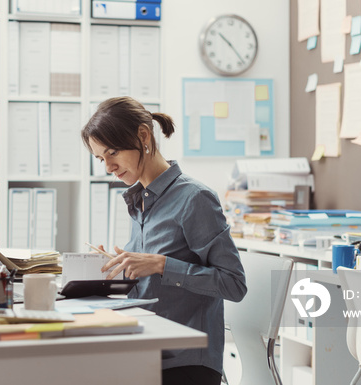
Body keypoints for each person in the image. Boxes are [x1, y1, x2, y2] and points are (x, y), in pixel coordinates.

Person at [81, 96, 247, 385]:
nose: (108, 166)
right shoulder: (140, 200)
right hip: (147, 348)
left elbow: (233, 284)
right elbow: (153, 287)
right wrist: (118, 268)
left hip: (184, 363)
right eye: (100, 158)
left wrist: (161, 265)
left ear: (143, 136)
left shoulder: (195, 198)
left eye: (112, 153)